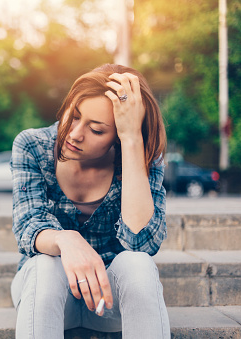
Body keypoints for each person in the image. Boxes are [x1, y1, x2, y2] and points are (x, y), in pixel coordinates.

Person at [10, 64, 170, 338]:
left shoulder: (141, 156)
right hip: (49, 296)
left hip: (109, 301)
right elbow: (28, 228)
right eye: (73, 116)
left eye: (96, 130)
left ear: (116, 137)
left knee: (139, 264)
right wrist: (66, 240)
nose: (74, 134)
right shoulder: (32, 145)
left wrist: (132, 139)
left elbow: (142, 243)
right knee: (44, 264)